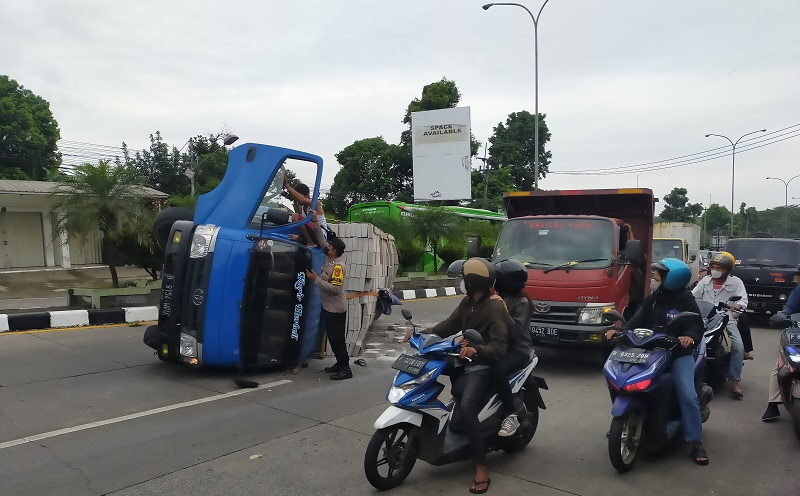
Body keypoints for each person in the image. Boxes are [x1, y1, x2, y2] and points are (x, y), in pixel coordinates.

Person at [404, 257, 508, 494]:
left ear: (472, 281)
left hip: (482, 364)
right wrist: (420, 334)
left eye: (463, 278)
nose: (461, 281)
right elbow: (447, 326)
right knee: (428, 365)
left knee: (468, 407)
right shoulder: (468, 302)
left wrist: (476, 349)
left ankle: (481, 466)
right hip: (462, 358)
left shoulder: (495, 307)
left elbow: (499, 346)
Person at [605, 258, 708, 465]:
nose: (652, 277)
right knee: (620, 378)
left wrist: (689, 337)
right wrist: (620, 330)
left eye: (657, 275)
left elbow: (695, 325)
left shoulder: (686, 301)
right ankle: (629, 419)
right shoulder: (652, 299)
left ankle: (695, 441)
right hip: (650, 351)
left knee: (687, 395)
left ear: (671, 279)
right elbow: (635, 321)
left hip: (677, 354)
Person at [691, 251, 748, 398]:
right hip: (705, 318)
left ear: (727, 270)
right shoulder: (705, 281)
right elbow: (693, 295)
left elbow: (743, 300)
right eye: (713, 267)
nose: (715, 270)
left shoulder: (736, 282)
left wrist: (737, 305)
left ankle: (734, 381)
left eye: (719, 268)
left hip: (726, 319)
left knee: (738, 346)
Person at [489, 259, 535, 437]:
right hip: (498, 346)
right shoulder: (496, 298)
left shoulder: (522, 302)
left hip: (519, 349)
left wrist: (503, 309)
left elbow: (515, 332)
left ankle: (511, 414)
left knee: (498, 370)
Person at [306, 237, 351, 380]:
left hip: (336, 309)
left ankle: (346, 369)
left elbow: (336, 289)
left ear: (334, 251)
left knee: (337, 339)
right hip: (328, 306)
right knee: (332, 337)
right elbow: (320, 239)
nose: (327, 247)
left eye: (330, 246)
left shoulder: (338, 267)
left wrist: (316, 279)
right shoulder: (329, 261)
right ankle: (340, 364)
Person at [762, 284, 800, 421]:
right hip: (797, 331)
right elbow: (790, 308)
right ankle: (772, 404)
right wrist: (783, 316)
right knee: (782, 363)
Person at [284, 178, 328, 247]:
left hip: (320, 235)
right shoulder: (301, 208)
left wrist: (287, 185)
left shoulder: (315, 203)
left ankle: (310, 243)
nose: (297, 199)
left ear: (307, 195)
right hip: (312, 233)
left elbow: (302, 201)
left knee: (295, 216)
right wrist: (299, 236)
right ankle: (308, 241)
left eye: (298, 196)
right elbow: (304, 226)